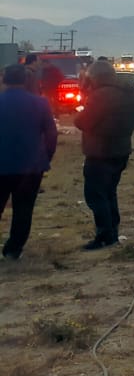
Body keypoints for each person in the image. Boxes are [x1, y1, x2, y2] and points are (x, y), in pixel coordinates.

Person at [77, 61, 134, 251]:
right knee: (109, 192)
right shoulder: (129, 93)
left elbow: (83, 121)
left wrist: (79, 113)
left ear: (95, 78)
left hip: (100, 151)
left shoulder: (100, 96)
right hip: (121, 149)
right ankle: (112, 230)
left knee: (95, 195)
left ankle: (104, 235)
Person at [0, 63, 57, 260]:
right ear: (25, 80)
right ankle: (13, 249)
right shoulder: (41, 103)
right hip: (31, 167)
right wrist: (45, 158)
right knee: (23, 209)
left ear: (3, 79)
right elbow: (51, 135)